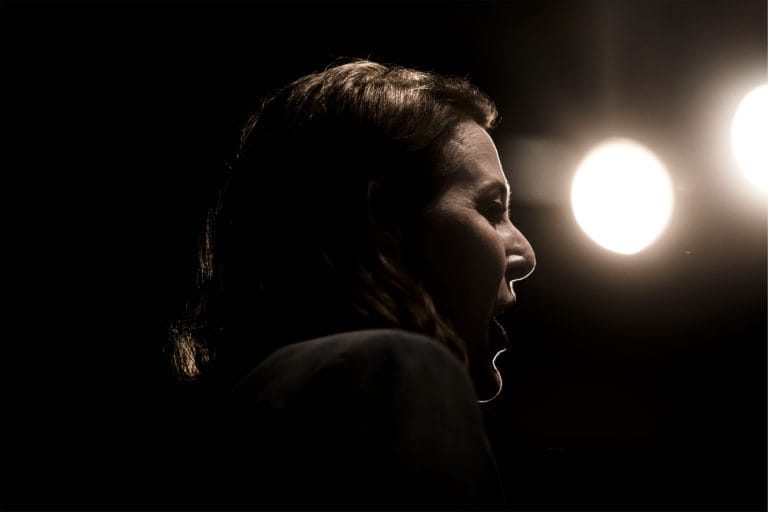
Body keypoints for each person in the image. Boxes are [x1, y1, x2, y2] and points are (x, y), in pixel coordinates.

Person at [163, 59, 535, 509]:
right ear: (385, 219)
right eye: (492, 210)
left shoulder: (224, 423)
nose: (524, 256)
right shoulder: (392, 370)